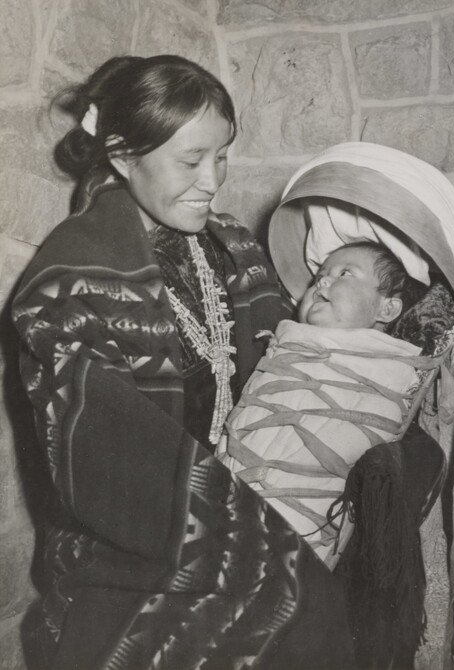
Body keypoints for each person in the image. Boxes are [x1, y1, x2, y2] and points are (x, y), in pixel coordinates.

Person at [12, 55, 355, 670]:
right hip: (127, 540)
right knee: (302, 604)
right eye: (191, 160)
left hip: (246, 492)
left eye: (221, 156)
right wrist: (260, 530)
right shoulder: (69, 283)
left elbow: (291, 366)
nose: (212, 180)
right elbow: (107, 469)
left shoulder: (233, 247)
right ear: (122, 155)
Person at [218, 239, 429, 559]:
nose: (324, 281)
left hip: (292, 530)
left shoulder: (385, 374)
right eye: (319, 277)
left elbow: (363, 437)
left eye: (345, 273)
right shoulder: (285, 348)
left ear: (386, 309)